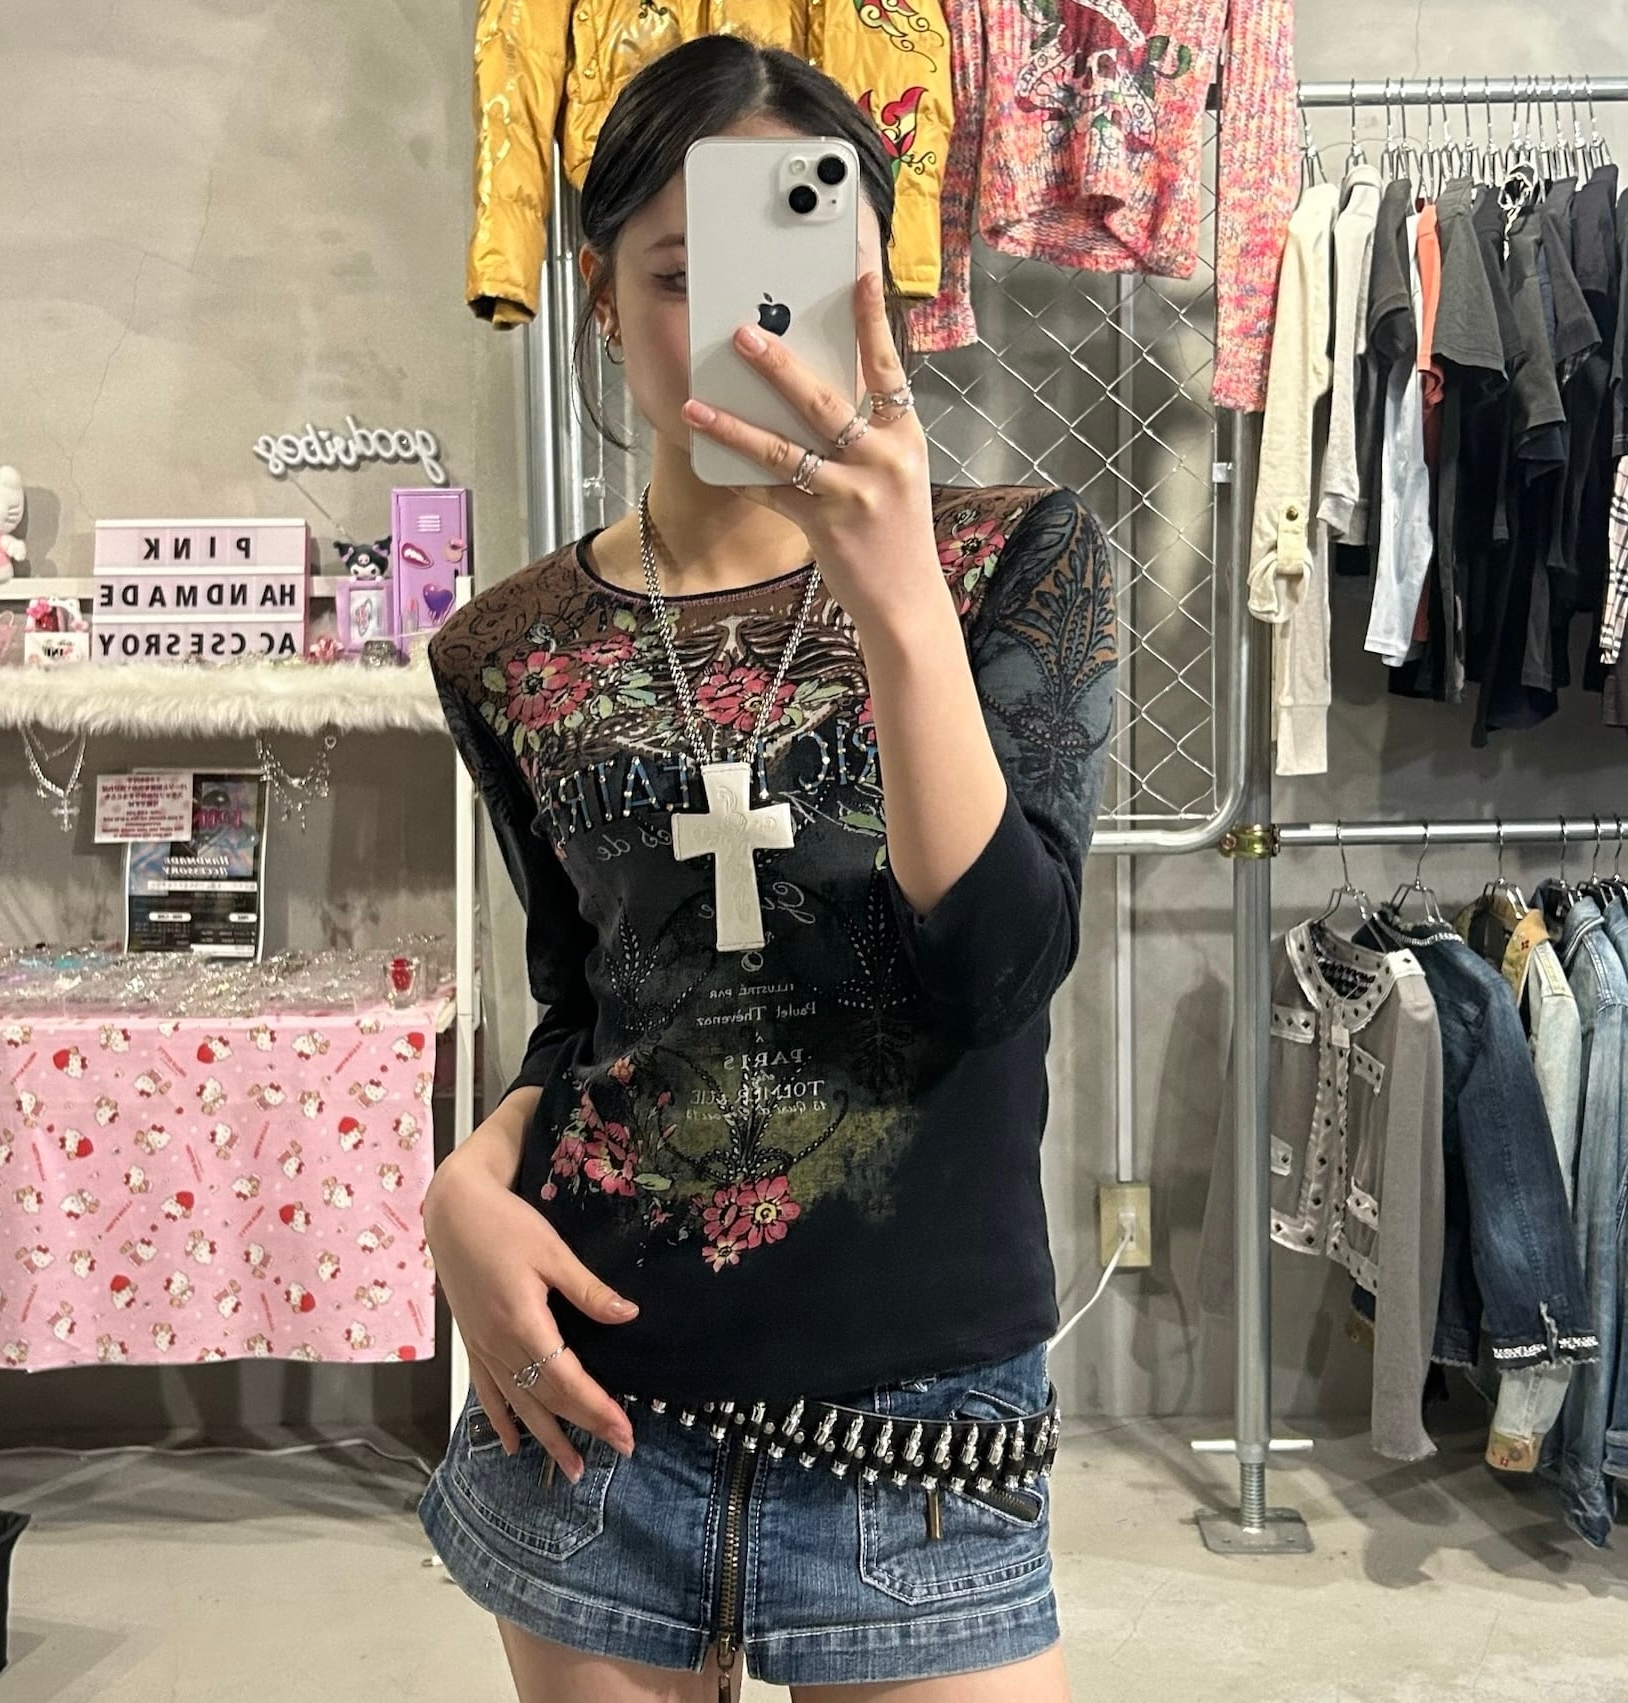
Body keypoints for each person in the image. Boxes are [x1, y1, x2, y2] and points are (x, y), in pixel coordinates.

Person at [418, 31, 1116, 1703]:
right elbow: (589, 1000)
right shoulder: (506, 645)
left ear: (884, 287)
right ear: (599, 297)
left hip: (915, 1432)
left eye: (801, 267)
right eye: (679, 276)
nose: (743, 325)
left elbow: (999, 975)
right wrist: (466, 1188)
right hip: (596, 1407)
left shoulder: (1013, 557)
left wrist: (897, 598)